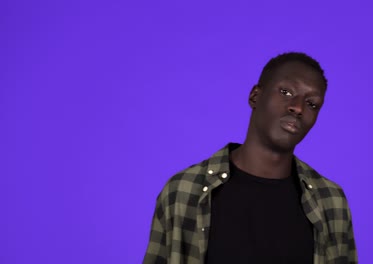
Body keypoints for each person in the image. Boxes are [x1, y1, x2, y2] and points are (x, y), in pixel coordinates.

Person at [143, 52, 357, 264]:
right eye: (286, 91)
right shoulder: (184, 191)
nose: (298, 107)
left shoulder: (331, 200)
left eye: (312, 104)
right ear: (255, 96)